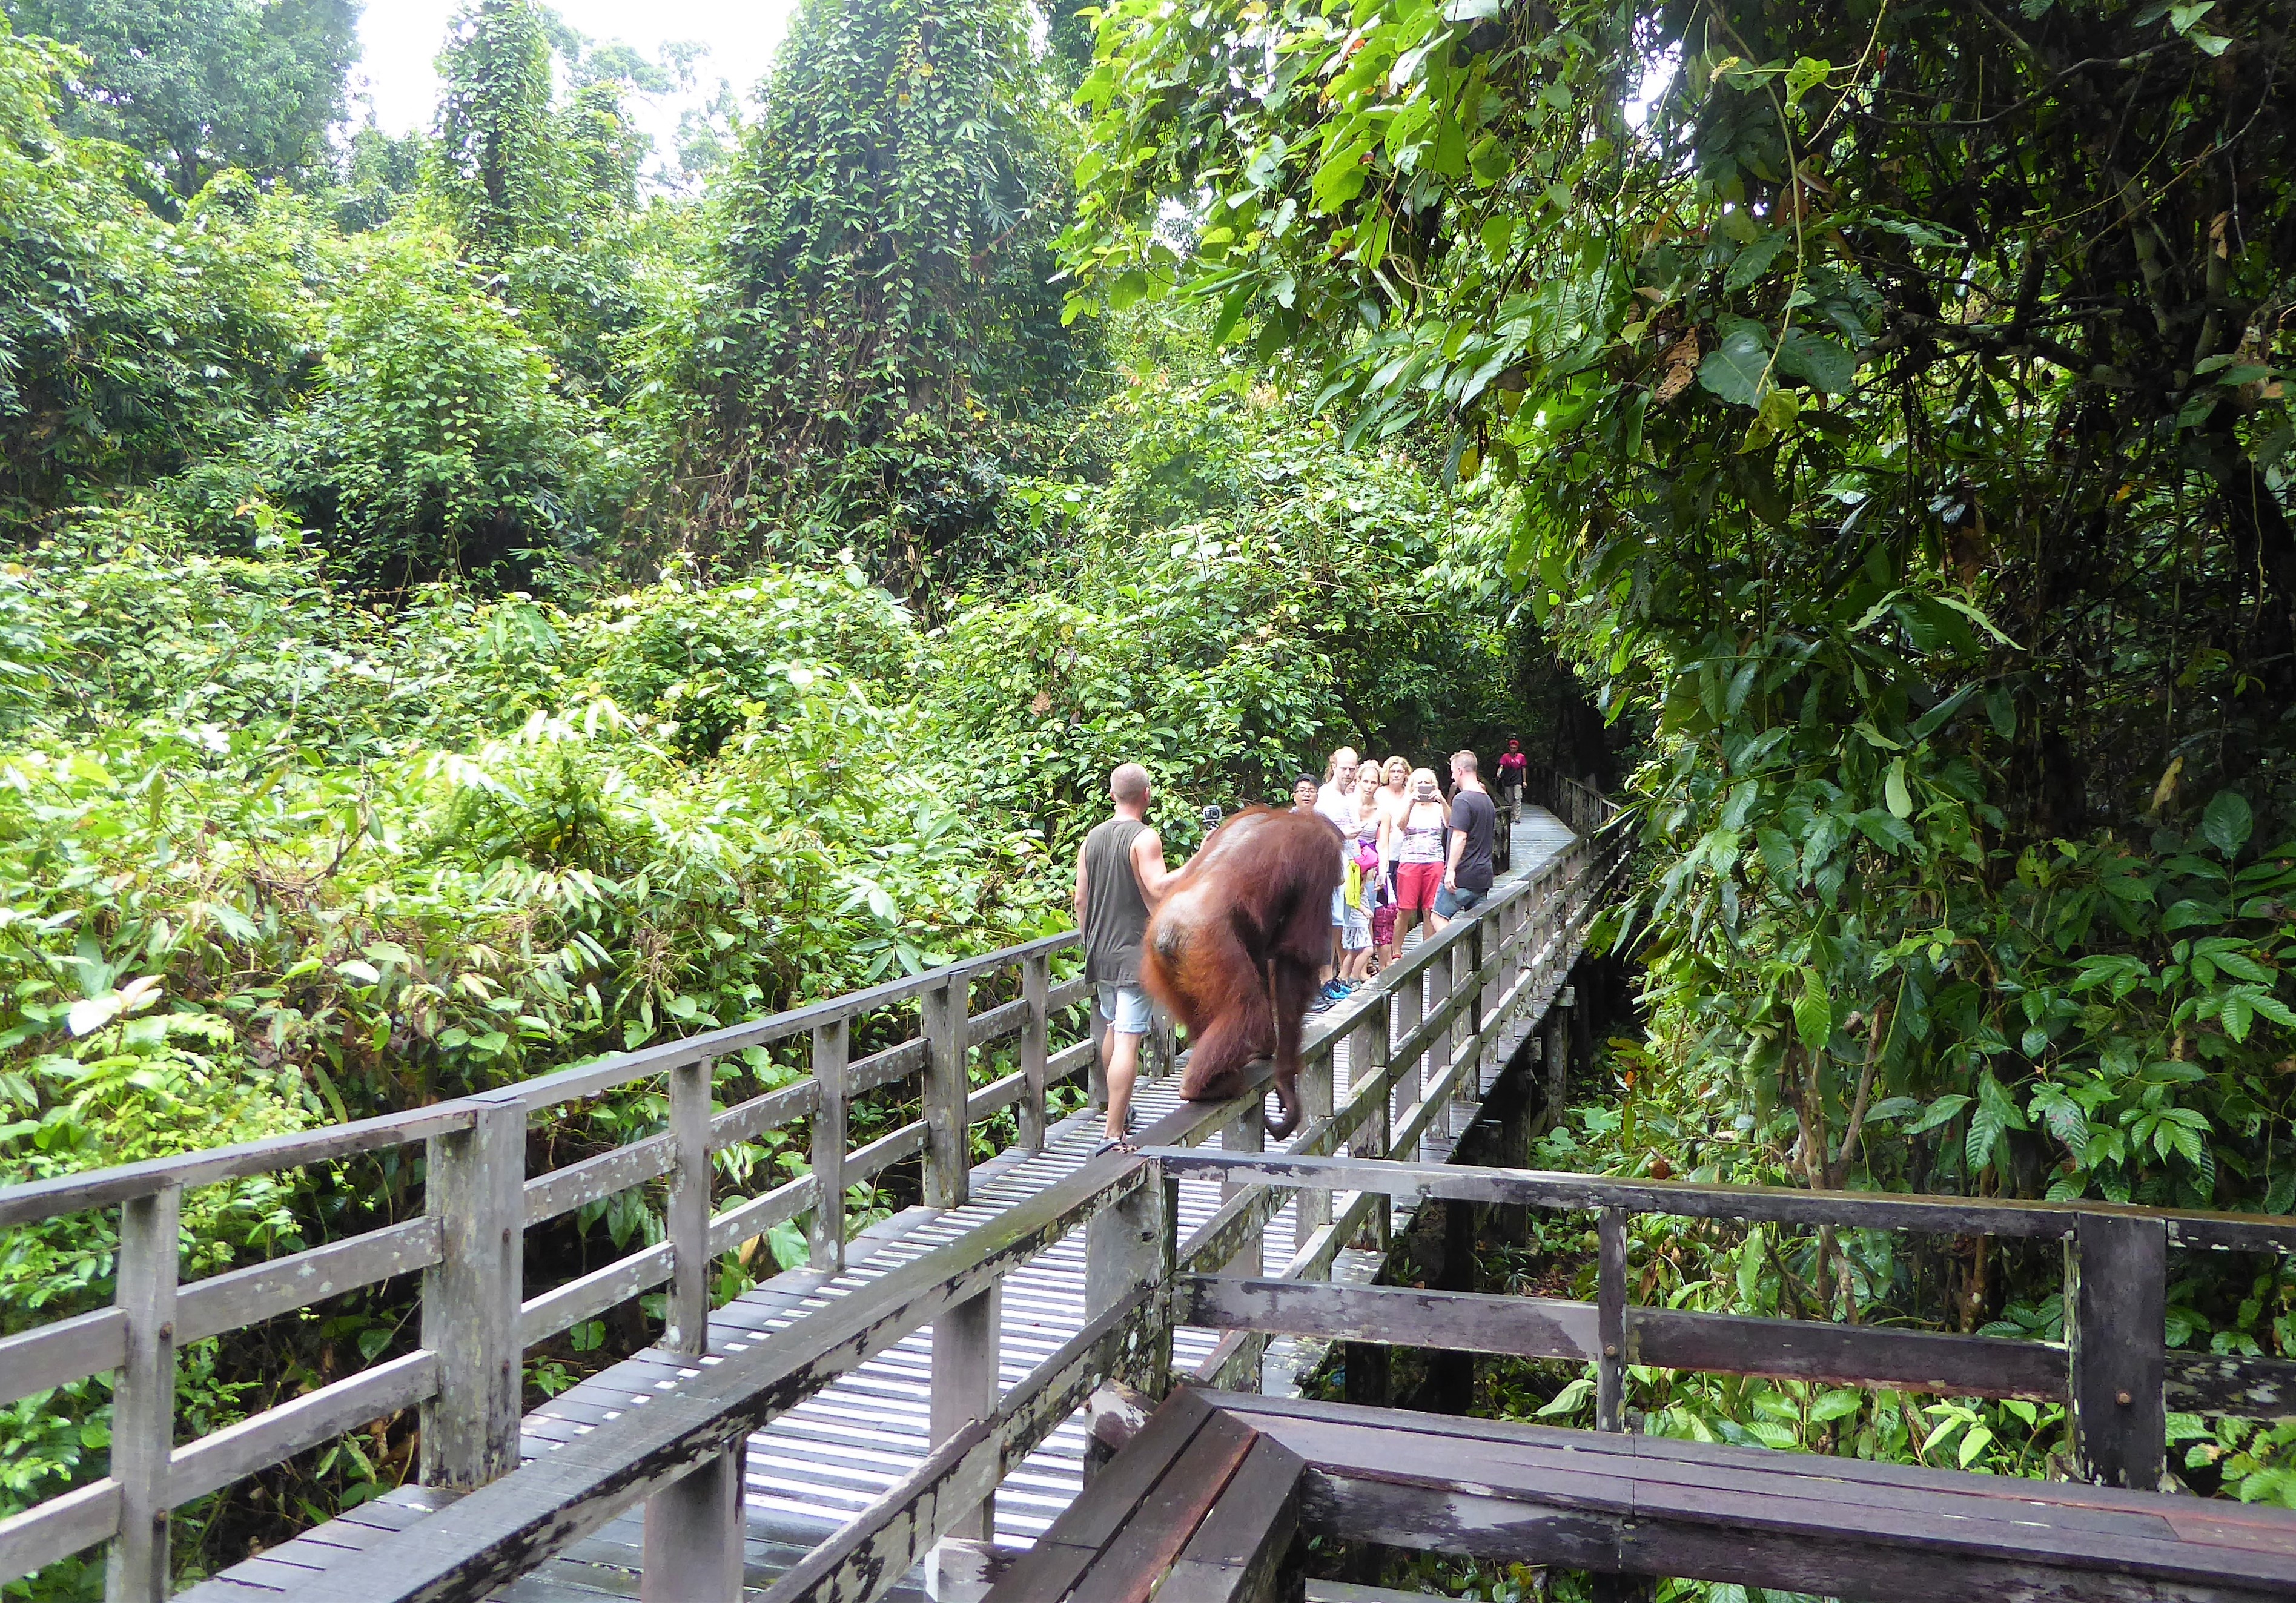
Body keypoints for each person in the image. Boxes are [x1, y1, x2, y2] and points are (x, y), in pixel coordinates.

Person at [1073, 764, 1172, 1153]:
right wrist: (1202, 861)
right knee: (1129, 1038)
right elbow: (1160, 887)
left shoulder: (1090, 839)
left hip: (1101, 949)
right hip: (1134, 952)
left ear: (1113, 794)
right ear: (1146, 794)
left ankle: (1117, 1108)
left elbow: (1080, 899)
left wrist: (1089, 941)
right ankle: (1113, 1134)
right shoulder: (1145, 838)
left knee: (1115, 1026)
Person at [1312, 748, 1361, 1005]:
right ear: (1333, 765)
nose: (1348, 773)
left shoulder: (1348, 798)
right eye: (1344, 768)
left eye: (1352, 768)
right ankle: (1324, 980)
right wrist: (1345, 835)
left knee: (1340, 926)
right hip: (1330, 867)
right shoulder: (1324, 798)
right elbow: (1320, 834)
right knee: (1330, 924)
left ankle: (1332, 980)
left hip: (1348, 867)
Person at [1432, 750, 1497, 931]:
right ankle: (1473, 960)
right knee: (1475, 926)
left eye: (1453, 772)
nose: (1453, 777)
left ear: (1460, 770)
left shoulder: (1463, 800)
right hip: (1483, 875)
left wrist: (1451, 871)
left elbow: (1460, 837)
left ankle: (1455, 957)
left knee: (1438, 917)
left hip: (1463, 874)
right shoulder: (1487, 800)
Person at [1390, 768, 1451, 948]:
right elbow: (1401, 826)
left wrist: (1442, 800)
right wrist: (1410, 804)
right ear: (1412, 786)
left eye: (1427, 783)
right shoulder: (1405, 803)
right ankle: (1396, 953)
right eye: (1419, 783)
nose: (1424, 786)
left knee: (1429, 910)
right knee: (1405, 909)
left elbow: (1450, 823)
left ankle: (1428, 951)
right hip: (1410, 860)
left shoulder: (1439, 806)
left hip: (1434, 861)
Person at [1497, 736, 1529, 809]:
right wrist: (1499, 773)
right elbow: (1501, 766)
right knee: (1509, 800)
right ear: (1509, 748)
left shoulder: (1521, 757)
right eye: (1512, 748)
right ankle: (1511, 816)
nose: (1513, 749)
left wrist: (1524, 781)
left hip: (1518, 780)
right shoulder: (1505, 757)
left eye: (1515, 748)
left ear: (1517, 748)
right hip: (1508, 780)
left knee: (1518, 798)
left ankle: (1517, 818)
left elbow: (1523, 769)